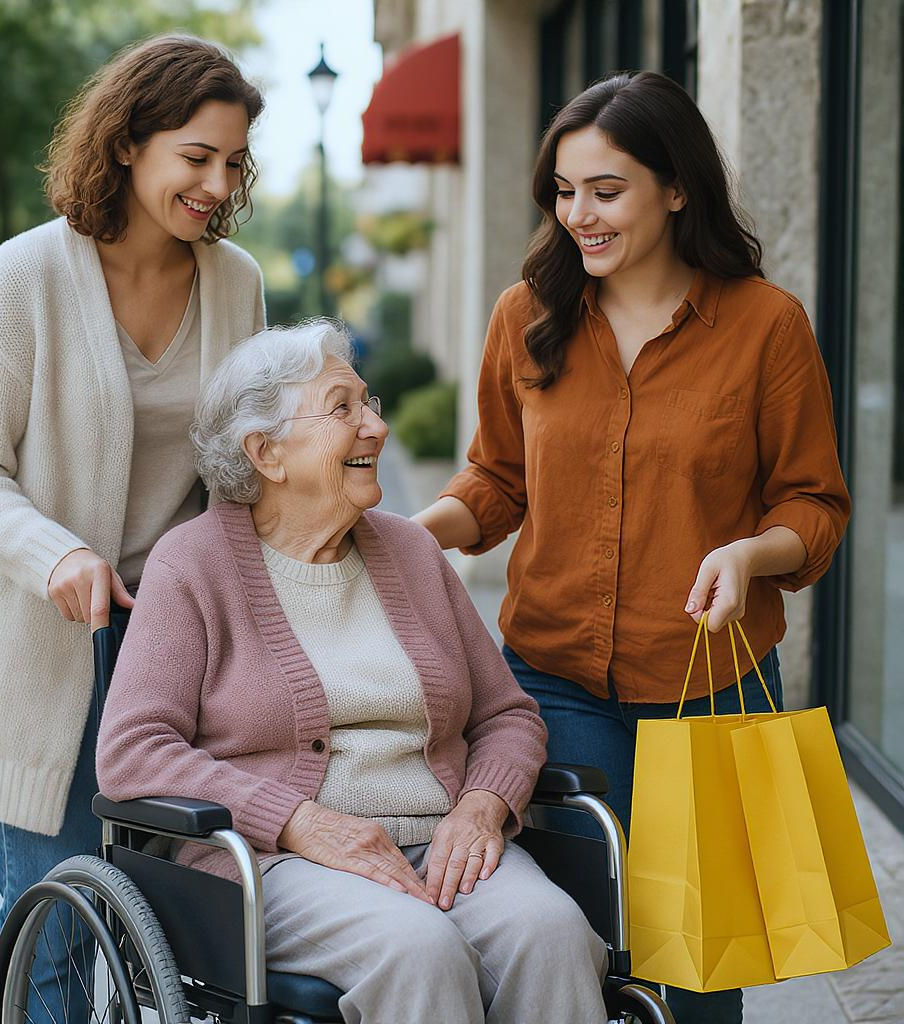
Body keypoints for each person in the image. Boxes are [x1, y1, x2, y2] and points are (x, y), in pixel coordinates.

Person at [413, 71, 851, 1024]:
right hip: (555, 681)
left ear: (676, 187)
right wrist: (410, 538)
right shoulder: (524, 317)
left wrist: (749, 555)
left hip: (710, 691)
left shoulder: (765, 326)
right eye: (564, 192)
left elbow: (814, 504)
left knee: (695, 974)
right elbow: (496, 481)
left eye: (606, 191)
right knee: (572, 949)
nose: (580, 214)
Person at [95, 320, 610, 1024]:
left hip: (444, 842)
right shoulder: (192, 565)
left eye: (369, 403)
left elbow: (507, 714)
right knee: (417, 951)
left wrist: (483, 804)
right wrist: (297, 820)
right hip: (275, 865)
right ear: (267, 453)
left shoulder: (412, 551)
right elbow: (132, 752)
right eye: (344, 408)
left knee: (554, 937)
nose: (376, 426)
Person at [0, 34, 266, 1022]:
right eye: (196, 157)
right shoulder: (27, 274)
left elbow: (241, 469)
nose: (217, 183)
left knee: (175, 927)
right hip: (50, 647)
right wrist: (57, 554)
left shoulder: (235, 282)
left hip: (182, 646)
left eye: (234, 162)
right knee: (59, 930)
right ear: (128, 143)